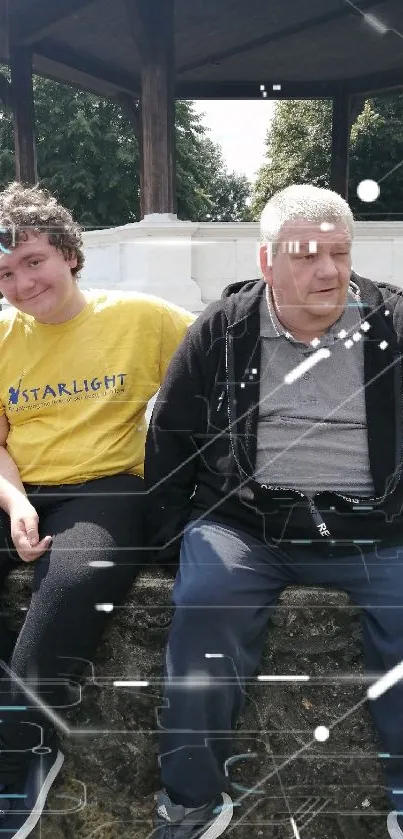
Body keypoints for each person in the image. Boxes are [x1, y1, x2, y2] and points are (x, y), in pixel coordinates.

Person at [145, 183, 403, 839]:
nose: (327, 270)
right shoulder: (223, 328)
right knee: (202, 611)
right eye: (305, 255)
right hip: (248, 525)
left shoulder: (392, 324)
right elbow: (169, 437)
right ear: (266, 262)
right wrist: (171, 539)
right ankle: (191, 800)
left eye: (338, 253)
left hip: (374, 527)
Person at [0, 181, 194, 839]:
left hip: (106, 485)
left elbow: (218, 373)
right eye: (5, 271)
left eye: (34, 261)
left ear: (68, 253)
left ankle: (24, 744)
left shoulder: (143, 318)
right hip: (20, 487)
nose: (24, 283)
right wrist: (15, 499)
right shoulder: (0, 336)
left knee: (74, 581)